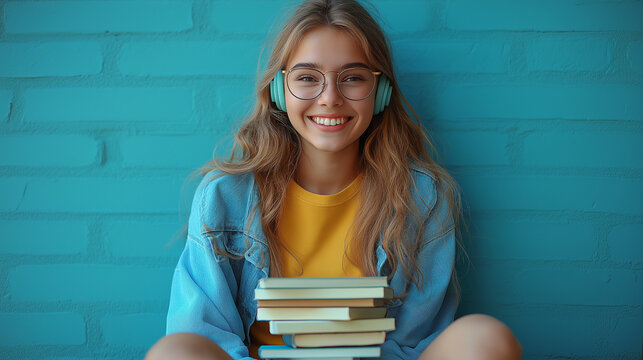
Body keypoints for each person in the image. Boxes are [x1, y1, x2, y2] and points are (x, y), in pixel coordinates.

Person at [146, 0, 522, 359]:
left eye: (353, 78)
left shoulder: (421, 198)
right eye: (307, 77)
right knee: (173, 352)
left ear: (380, 93)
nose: (330, 98)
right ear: (279, 90)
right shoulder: (224, 197)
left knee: (485, 338)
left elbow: (415, 343)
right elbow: (202, 332)